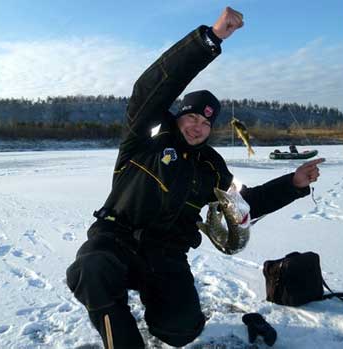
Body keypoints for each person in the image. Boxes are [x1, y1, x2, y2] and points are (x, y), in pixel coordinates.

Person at [65, 7, 324, 348]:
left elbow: (243, 206)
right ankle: (119, 327)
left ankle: (160, 309)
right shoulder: (142, 141)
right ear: (179, 117)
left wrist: (293, 184)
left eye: (205, 123)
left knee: (181, 329)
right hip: (116, 238)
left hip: (165, 253)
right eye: (191, 118)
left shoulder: (213, 168)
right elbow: (152, 88)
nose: (197, 127)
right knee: (92, 270)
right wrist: (210, 40)